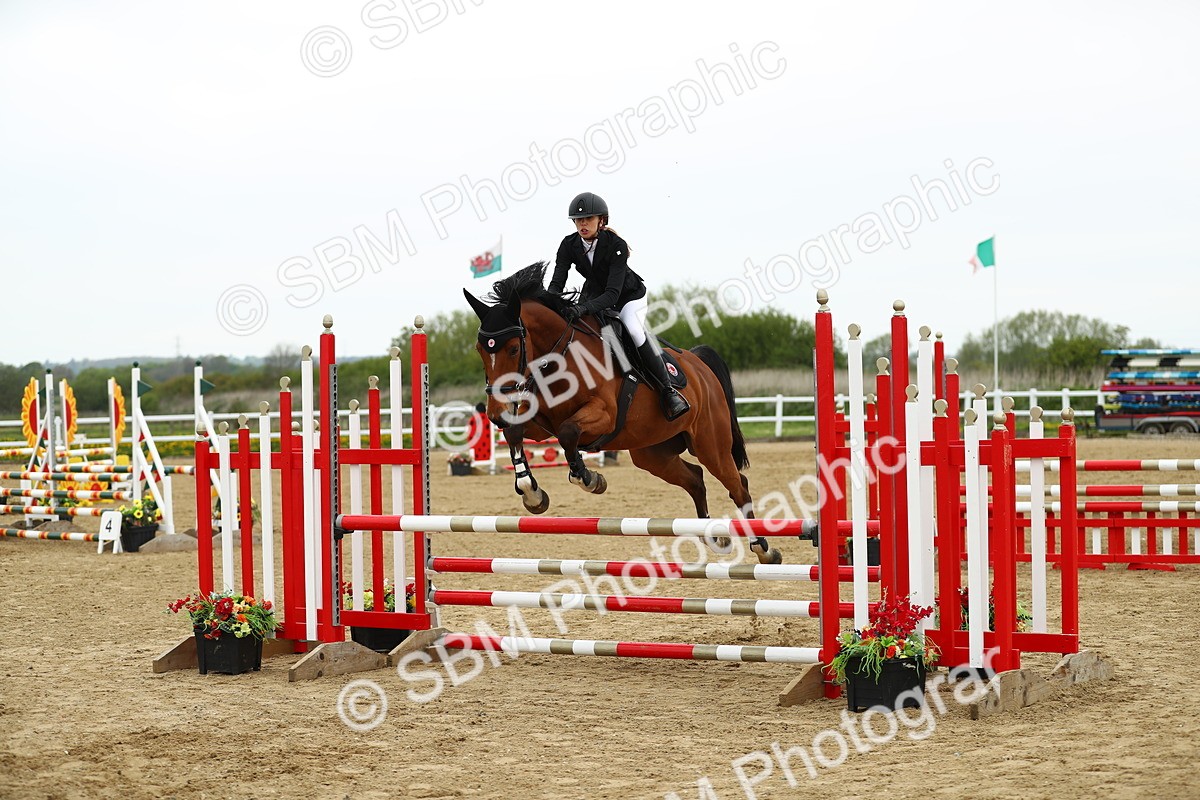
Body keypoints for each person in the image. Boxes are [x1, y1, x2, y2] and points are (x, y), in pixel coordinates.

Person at [548, 191, 690, 421]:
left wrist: (583, 308)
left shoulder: (616, 245)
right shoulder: (569, 244)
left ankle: (668, 391)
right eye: (578, 220)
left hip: (628, 297)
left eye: (588, 219)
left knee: (633, 329)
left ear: (601, 220)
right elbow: (556, 283)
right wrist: (549, 304)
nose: (583, 224)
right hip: (595, 294)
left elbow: (612, 294)